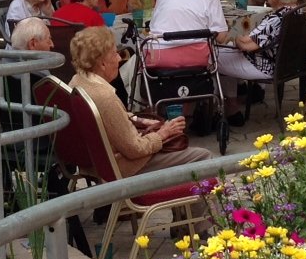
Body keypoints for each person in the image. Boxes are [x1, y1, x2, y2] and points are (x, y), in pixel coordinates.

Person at [69, 26, 209, 176]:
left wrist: (138, 119)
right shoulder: (105, 97)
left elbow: (110, 121)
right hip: (124, 167)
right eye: (115, 54)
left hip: (97, 162)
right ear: (102, 63)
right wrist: (163, 133)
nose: (119, 59)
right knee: (204, 156)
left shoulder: (77, 81)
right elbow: (135, 149)